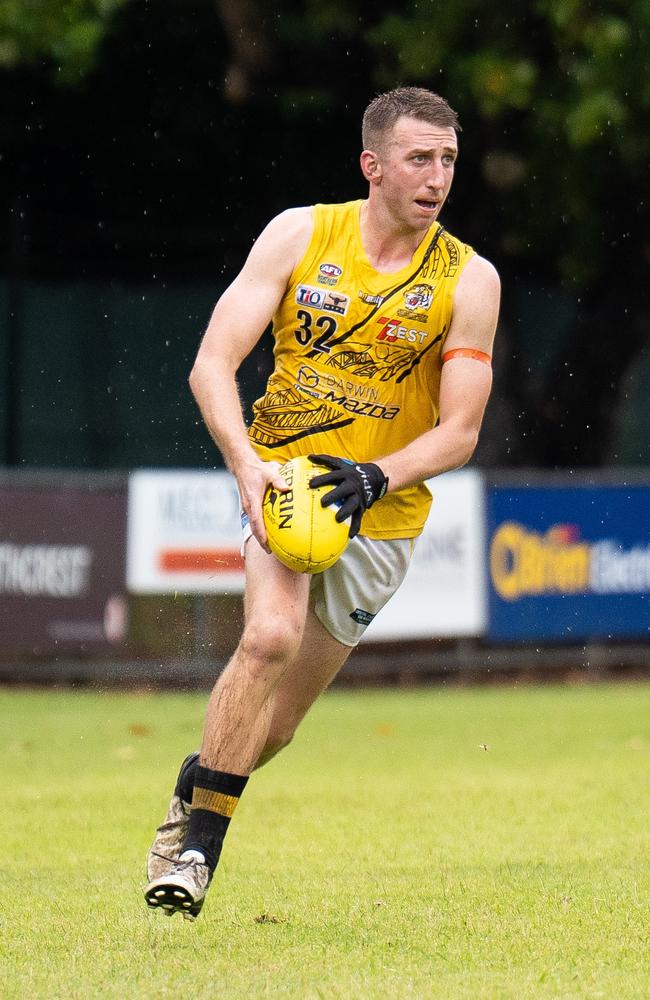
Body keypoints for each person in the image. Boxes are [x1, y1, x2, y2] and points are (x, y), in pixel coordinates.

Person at [144, 86, 500, 919]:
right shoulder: (302, 233)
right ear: (372, 165)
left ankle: (202, 783)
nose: (437, 176)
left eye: (448, 159)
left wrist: (377, 477)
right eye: (420, 158)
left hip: (384, 514)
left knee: (274, 730)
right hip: (285, 483)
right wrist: (245, 464)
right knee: (266, 638)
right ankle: (196, 854)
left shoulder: (469, 279)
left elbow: (460, 433)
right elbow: (211, 365)